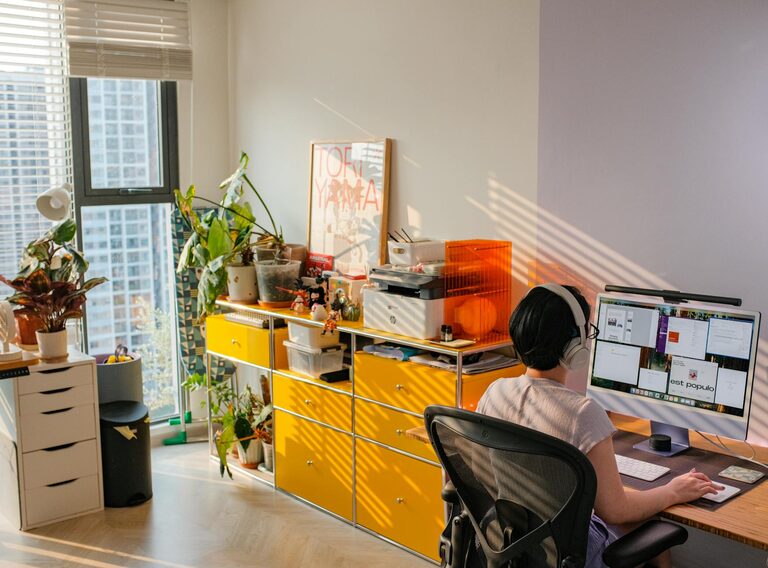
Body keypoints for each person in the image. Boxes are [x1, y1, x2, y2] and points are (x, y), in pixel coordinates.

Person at [477, 284, 722, 568]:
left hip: (511, 544)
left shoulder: (495, 392)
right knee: (652, 527)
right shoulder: (582, 412)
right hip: (569, 556)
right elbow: (616, 511)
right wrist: (674, 491)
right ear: (575, 346)